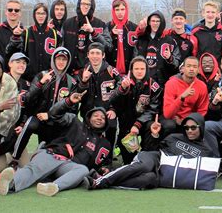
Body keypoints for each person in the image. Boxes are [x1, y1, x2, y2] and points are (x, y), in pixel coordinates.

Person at [0, 91, 112, 197]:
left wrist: (106, 168)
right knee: (33, 170)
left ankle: (52, 187)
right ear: (88, 117)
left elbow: (105, 163)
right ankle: (10, 184)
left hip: (67, 166)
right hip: (53, 154)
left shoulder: (104, 144)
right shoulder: (74, 121)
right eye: (96, 115)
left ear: (106, 123)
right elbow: (54, 114)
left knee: (83, 170)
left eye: (103, 117)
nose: (99, 118)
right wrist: (68, 101)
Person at [85, 113, 213, 190]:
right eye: (186, 127)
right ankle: (100, 182)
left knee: (149, 180)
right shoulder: (175, 137)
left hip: (164, 174)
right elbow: (151, 149)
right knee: (145, 166)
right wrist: (155, 135)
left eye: (193, 127)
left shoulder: (206, 151)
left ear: (201, 127)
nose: (189, 130)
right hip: (155, 157)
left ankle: (101, 179)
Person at [10, 47, 77, 167]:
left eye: (64, 59)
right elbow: (28, 99)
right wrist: (40, 84)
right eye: (58, 59)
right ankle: (14, 160)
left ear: (68, 62)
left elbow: (72, 113)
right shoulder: (42, 75)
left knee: (46, 155)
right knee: (30, 124)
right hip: (38, 119)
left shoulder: (71, 82)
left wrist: (51, 116)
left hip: (56, 123)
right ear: (53, 60)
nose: (61, 62)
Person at [110, 56, 162, 164]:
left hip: (144, 122)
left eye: (142, 69)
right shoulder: (124, 81)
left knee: (150, 135)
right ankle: (128, 164)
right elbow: (112, 100)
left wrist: (138, 124)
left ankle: (146, 162)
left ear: (147, 69)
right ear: (131, 70)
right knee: (128, 155)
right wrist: (122, 89)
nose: (139, 71)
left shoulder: (153, 85)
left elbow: (153, 109)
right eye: (136, 69)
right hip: (126, 121)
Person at [76, 42, 121, 146]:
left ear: (103, 55)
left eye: (98, 53)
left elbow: (120, 93)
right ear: (88, 55)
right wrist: (83, 81)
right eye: (92, 53)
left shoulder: (112, 71)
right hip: (88, 111)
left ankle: (108, 156)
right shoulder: (82, 72)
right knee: (87, 138)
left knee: (111, 127)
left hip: (107, 110)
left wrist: (113, 109)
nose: (95, 56)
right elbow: (77, 95)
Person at [6, 3, 62, 81]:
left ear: (47, 15)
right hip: (29, 78)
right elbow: (12, 53)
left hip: (48, 78)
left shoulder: (55, 34)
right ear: (34, 15)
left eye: (43, 13)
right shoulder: (27, 33)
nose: (40, 16)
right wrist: (15, 37)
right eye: (38, 13)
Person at [61, 0, 112, 73]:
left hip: (92, 72)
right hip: (70, 71)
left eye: (88, 4)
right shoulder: (68, 24)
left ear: (92, 6)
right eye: (83, 4)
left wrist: (93, 32)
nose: (85, 6)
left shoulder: (100, 25)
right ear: (79, 5)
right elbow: (61, 47)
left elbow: (108, 47)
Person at [163, 56, 209, 134]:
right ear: (183, 68)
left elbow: (202, 111)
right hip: (173, 119)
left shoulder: (202, 86)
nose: (191, 69)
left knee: (205, 126)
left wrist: (188, 121)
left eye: (194, 67)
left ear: (198, 70)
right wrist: (181, 97)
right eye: (188, 66)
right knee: (169, 125)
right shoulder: (171, 83)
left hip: (190, 120)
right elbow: (167, 114)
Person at [135, 10, 181, 85]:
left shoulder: (170, 41)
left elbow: (177, 64)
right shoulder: (141, 40)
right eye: (153, 21)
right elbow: (134, 61)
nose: (155, 23)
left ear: (162, 22)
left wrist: (170, 58)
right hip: (144, 83)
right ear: (149, 22)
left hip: (163, 83)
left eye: (158, 21)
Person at [106, 0, 137, 75]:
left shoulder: (134, 28)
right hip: (110, 71)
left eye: (122, 9)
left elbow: (137, 50)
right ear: (113, 11)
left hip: (129, 71)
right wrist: (111, 35)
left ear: (126, 10)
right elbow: (103, 48)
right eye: (117, 10)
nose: (120, 12)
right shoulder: (107, 27)